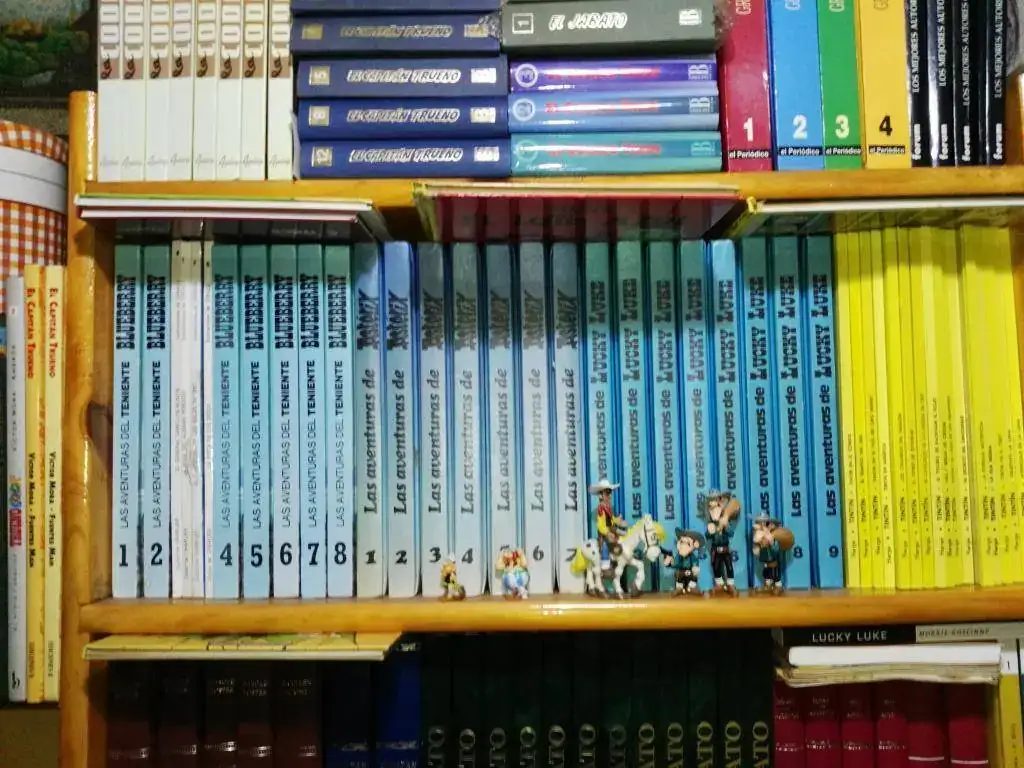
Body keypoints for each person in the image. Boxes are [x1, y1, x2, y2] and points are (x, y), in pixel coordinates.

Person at [702, 490, 740, 595]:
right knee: (716, 567)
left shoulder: (725, 521)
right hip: (716, 549)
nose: (714, 511)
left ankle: (731, 584)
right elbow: (707, 536)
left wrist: (726, 525)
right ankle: (719, 584)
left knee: (729, 566)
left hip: (725, 549)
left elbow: (731, 533)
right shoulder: (711, 524)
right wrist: (709, 532)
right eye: (711, 508)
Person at [589, 478, 627, 571]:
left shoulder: (608, 507)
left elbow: (611, 519)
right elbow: (600, 525)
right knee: (606, 545)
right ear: (600, 495)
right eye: (607, 493)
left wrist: (618, 520)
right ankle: (605, 563)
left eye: (610, 493)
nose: (610, 496)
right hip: (605, 533)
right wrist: (607, 533)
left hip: (612, 529)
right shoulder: (601, 508)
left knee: (625, 535)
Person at [662, 528, 704, 595]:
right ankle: (679, 588)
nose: (683, 545)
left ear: (695, 545)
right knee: (678, 574)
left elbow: (695, 564)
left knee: (694, 575)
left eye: (687, 543)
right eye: (681, 542)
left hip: (690, 572)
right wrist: (669, 563)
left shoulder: (692, 557)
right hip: (681, 571)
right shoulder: (678, 556)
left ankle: (692, 587)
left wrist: (695, 569)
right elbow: (675, 564)